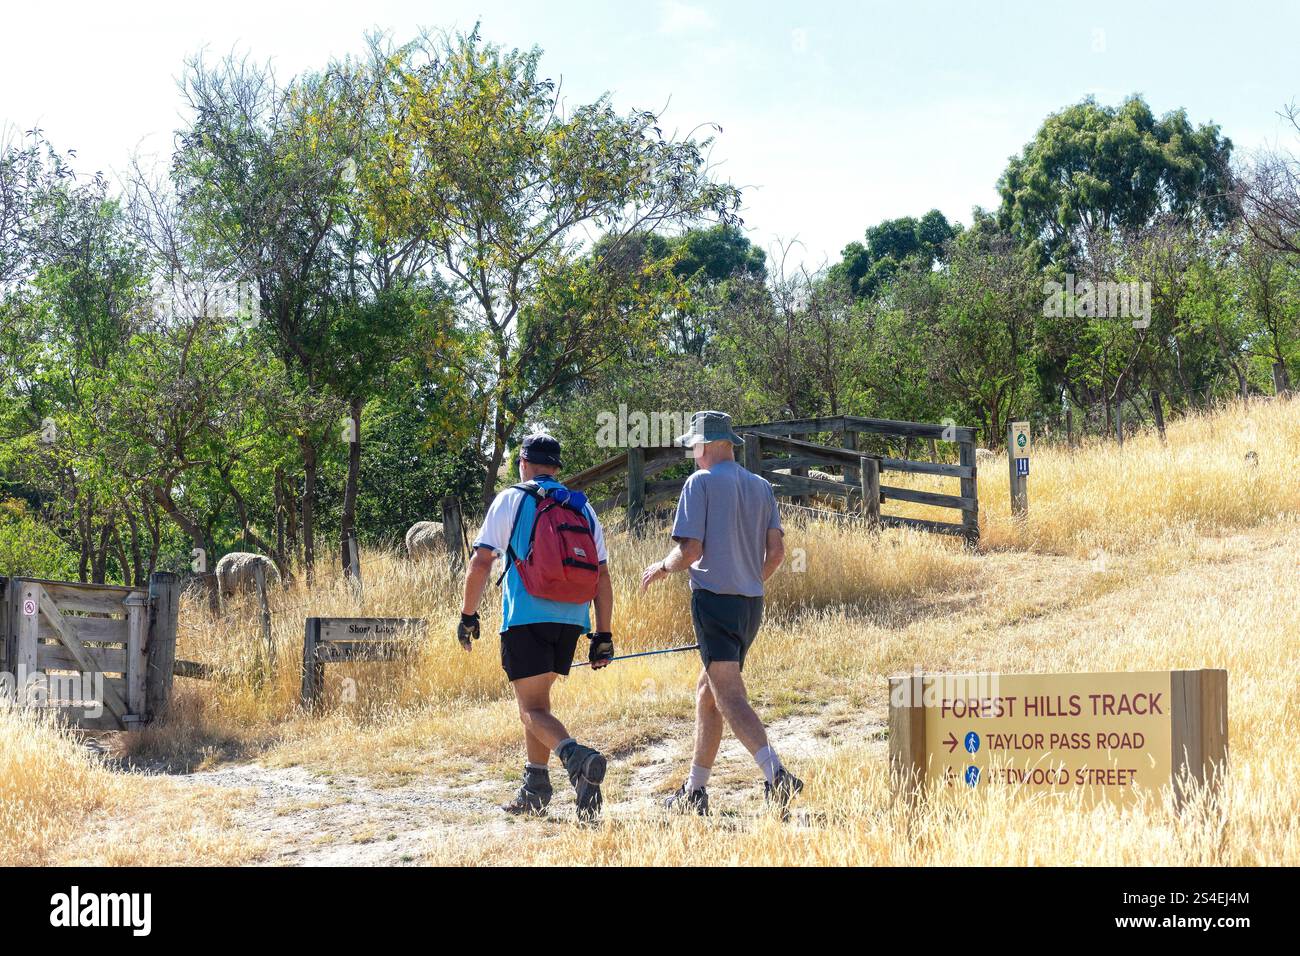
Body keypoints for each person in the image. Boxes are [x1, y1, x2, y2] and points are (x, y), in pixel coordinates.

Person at [640, 410, 802, 816]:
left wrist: (662, 567)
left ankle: (776, 775)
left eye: (695, 445)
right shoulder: (761, 486)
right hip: (751, 603)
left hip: (714, 600)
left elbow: (690, 550)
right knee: (707, 692)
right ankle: (694, 792)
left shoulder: (700, 483)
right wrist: (749, 578)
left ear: (709, 445)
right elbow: (778, 553)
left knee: (727, 694)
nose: (693, 453)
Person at [458, 432, 615, 821]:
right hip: (572, 620)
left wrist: (467, 614)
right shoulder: (582, 507)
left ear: (523, 463)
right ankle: (535, 788)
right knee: (539, 705)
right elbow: (602, 576)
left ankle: (577, 759)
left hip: (526, 617)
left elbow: (481, 562)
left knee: (529, 710)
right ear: (557, 467)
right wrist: (603, 634)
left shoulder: (512, 498)